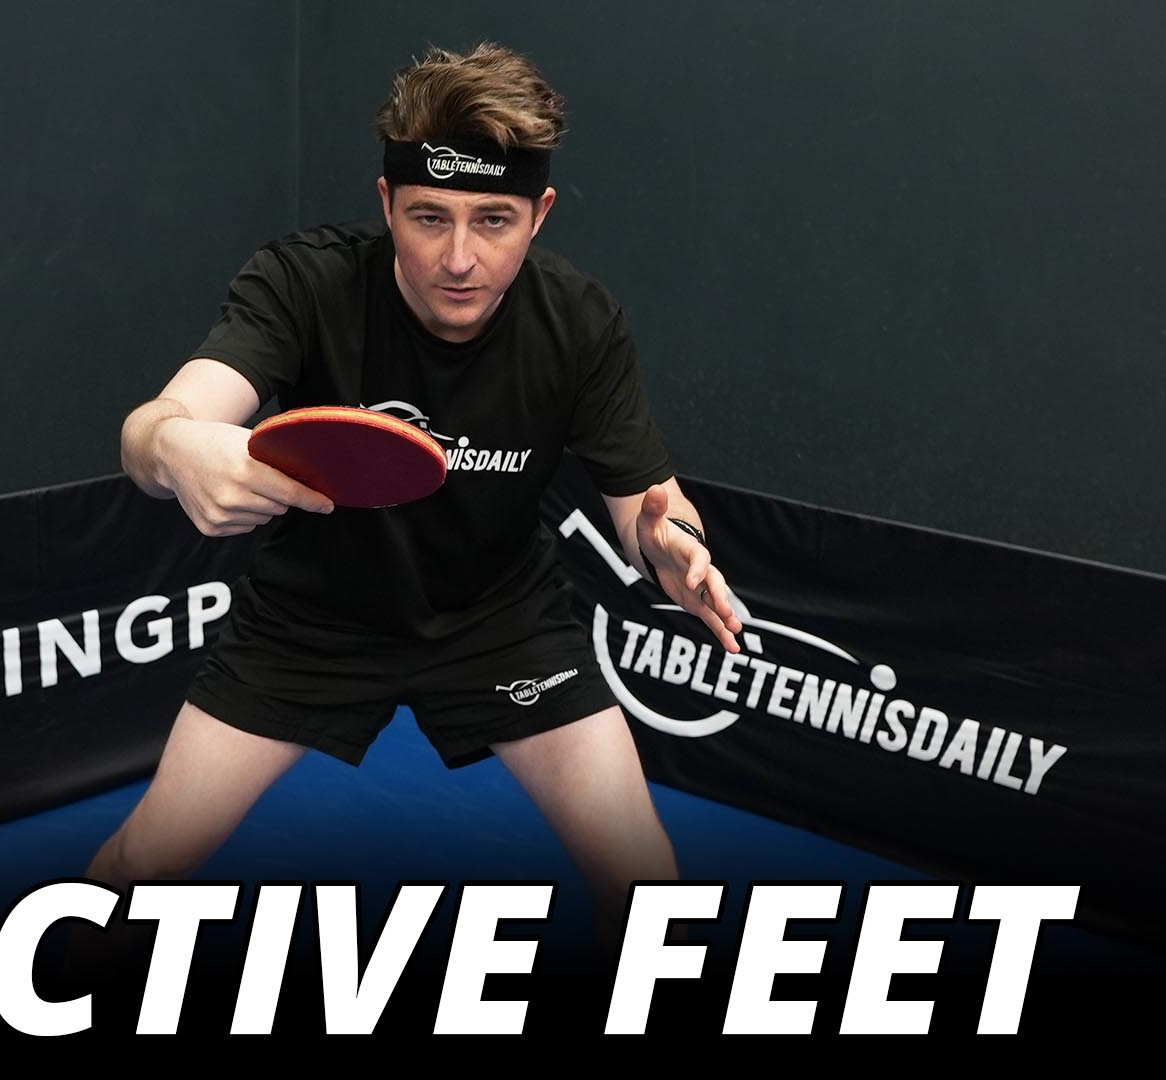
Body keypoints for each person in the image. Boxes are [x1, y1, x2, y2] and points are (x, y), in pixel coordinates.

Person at [86, 42, 741, 947]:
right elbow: (160, 424)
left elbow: (649, 505)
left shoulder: (579, 322)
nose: (459, 258)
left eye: (494, 220)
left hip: (500, 621)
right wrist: (172, 443)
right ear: (387, 201)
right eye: (429, 217)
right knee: (145, 862)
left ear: (540, 215)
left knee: (646, 884)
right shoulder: (305, 283)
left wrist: (674, 545)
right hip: (311, 624)